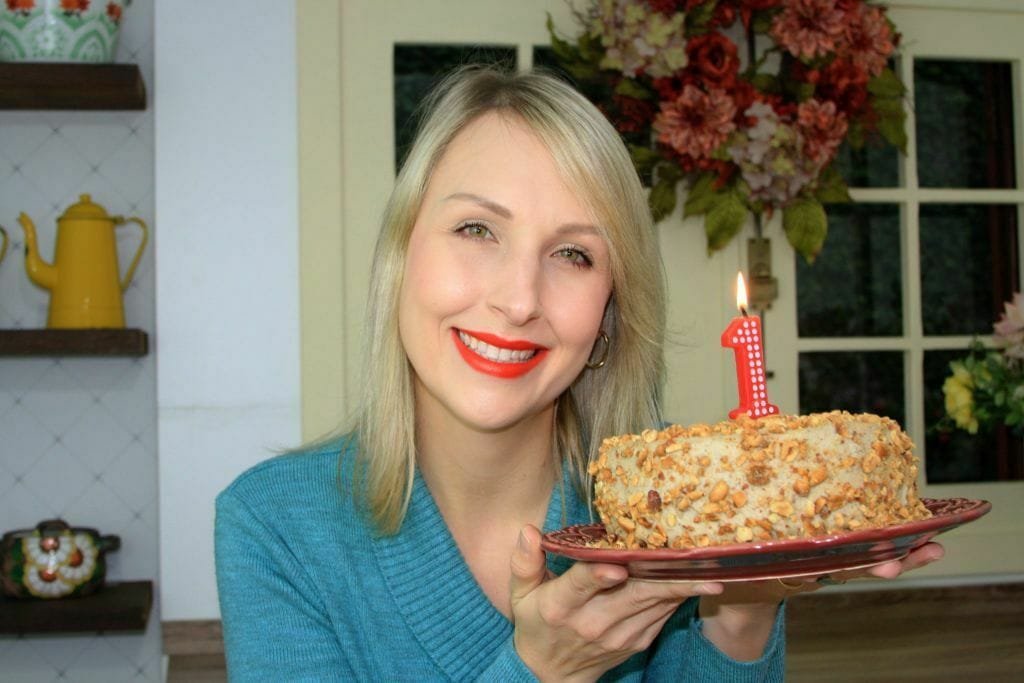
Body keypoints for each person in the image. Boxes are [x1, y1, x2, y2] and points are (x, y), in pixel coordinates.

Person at [214, 66, 944, 682]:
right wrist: (542, 670)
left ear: (609, 312)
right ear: (402, 254)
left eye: (573, 255)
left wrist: (744, 609)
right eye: (477, 229)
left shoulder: (671, 515)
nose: (519, 299)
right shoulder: (275, 527)